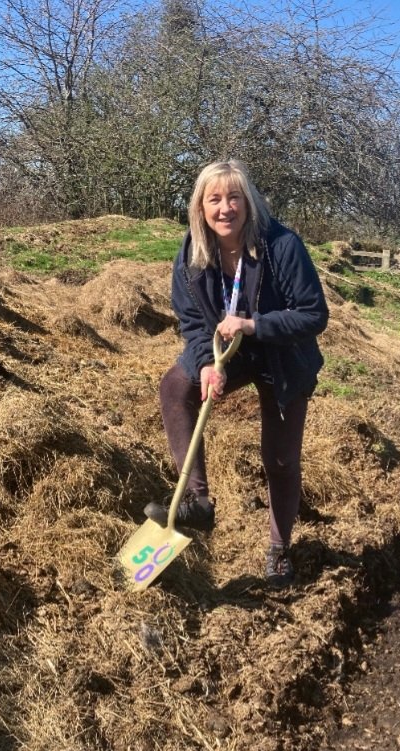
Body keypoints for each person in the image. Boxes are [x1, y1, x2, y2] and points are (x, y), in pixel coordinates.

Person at [143, 159, 329, 586]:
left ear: (248, 203)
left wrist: (254, 324)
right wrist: (207, 363)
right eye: (214, 199)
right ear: (200, 207)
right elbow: (191, 320)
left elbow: (314, 314)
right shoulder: (193, 252)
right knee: (175, 386)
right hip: (232, 352)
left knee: (280, 460)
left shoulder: (282, 245)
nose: (225, 208)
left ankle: (280, 549)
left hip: (285, 356)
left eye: (234, 197)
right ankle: (197, 501)